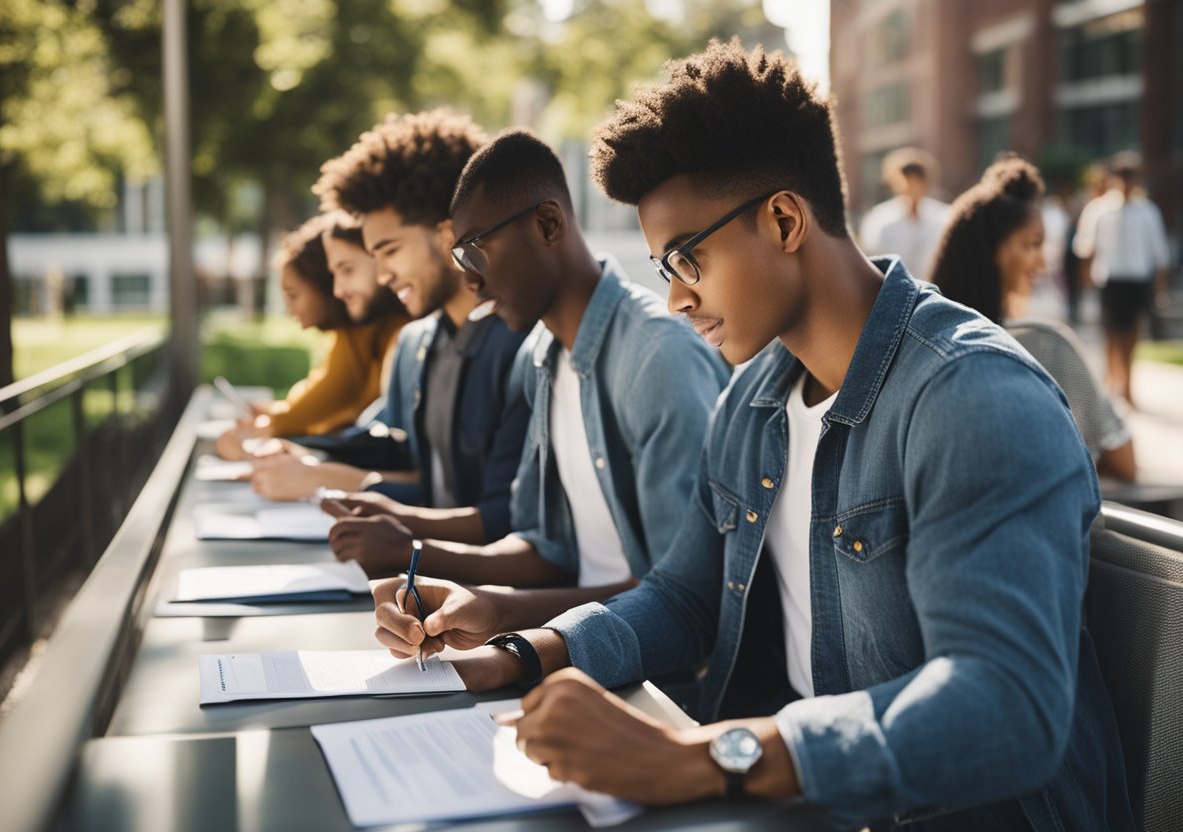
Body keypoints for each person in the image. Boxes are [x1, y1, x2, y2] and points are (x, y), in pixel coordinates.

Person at [373, 40, 1133, 831]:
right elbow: (683, 596)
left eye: (685, 260)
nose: (674, 300)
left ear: (782, 219)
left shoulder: (973, 398)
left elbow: (1004, 705)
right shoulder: (755, 401)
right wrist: (517, 655)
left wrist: (700, 759)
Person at [330, 127, 728, 604]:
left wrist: (505, 621)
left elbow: (685, 598)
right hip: (569, 652)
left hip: (653, 676)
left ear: (547, 225)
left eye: (477, 251)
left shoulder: (657, 357)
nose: (470, 281)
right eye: (460, 258)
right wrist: (421, 556)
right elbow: (547, 548)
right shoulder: (539, 357)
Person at [248, 110, 530, 554]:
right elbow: (395, 457)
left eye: (391, 250)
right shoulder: (414, 345)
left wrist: (325, 478)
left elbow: (508, 520)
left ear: (445, 236)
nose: (381, 276)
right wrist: (308, 459)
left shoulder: (524, 346)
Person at [931, 156, 1135, 482]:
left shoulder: (920, 345)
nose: (1041, 262)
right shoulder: (1043, 346)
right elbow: (1124, 461)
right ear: (991, 251)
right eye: (1031, 245)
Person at [214, 214, 408, 459]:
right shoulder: (359, 334)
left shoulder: (387, 333)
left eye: (293, 295)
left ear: (321, 286)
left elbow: (331, 395)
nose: (288, 309)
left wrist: (274, 423)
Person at [1072, 151, 1171, 408]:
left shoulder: (1148, 212)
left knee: (1132, 332)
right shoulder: (1099, 210)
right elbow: (1085, 248)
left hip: (1137, 280)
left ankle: (1127, 385)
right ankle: (1112, 379)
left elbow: (1159, 254)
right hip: (1111, 280)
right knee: (1111, 332)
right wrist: (1086, 281)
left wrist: (1159, 288)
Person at [858, 146, 951, 279]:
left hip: (936, 291)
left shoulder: (944, 216)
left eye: (915, 181)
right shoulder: (879, 219)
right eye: (905, 181)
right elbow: (872, 258)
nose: (910, 188)